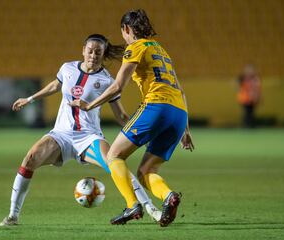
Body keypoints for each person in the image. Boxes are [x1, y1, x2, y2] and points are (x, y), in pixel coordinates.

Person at [0, 34, 161, 227]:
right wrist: (30, 99)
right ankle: (12, 217)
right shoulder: (67, 68)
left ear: (103, 54)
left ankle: (151, 209)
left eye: (98, 52)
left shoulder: (107, 81)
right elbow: (55, 85)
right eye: (90, 51)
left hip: (88, 137)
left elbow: (121, 115)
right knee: (30, 159)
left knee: (116, 164)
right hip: (61, 134)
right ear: (83, 50)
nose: (93, 55)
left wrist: (141, 134)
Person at [70, 10, 194, 227]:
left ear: (127, 29)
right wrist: (185, 129)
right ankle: (168, 196)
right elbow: (181, 91)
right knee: (147, 171)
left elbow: (118, 85)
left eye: (123, 32)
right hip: (179, 113)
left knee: (114, 156)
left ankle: (132, 205)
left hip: (157, 106)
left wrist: (89, 105)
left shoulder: (135, 48)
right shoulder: (161, 50)